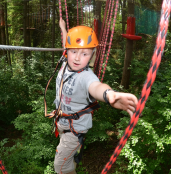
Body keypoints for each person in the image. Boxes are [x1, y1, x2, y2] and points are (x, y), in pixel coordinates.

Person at [52, 19, 138, 174]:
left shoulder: (85, 76)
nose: (77, 58)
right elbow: (67, 42)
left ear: (92, 55)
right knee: (67, 160)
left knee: (60, 166)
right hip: (63, 124)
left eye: (84, 53)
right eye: (74, 51)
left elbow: (96, 87)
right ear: (67, 50)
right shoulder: (66, 62)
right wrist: (63, 27)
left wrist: (108, 94)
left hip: (74, 129)